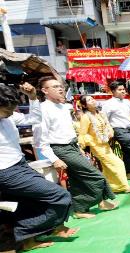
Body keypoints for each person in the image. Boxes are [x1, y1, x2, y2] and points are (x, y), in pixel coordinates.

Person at [0, 83, 77, 251]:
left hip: (20, 164)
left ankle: (29, 239)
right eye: (6, 109)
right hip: (6, 171)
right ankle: (23, 232)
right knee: (60, 196)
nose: (9, 113)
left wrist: (33, 98)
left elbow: (34, 119)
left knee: (31, 202)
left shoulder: (9, 116)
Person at [37, 76, 118, 219]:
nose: (60, 88)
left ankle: (80, 209)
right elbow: (40, 140)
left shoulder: (64, 107)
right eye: (55, 87)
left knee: (77, 179)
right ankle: (99, 201)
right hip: (60, 148)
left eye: (60, 86)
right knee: (96, 175)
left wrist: (78, 147)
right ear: (45, 91)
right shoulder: (42, 109)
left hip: (72, 146)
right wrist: (54, 159)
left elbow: (68, 131)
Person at [78, 95, 130, 194]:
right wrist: (84, 146)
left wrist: (110, 132)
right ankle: (123, 187)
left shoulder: (100, 114)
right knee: (117, 163)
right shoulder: (85, 117)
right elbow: (82, 134)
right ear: (85, 106)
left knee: (107, 167)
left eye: (92, 98)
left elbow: (108, 125)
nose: (93, 100)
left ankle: (111, 187)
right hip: (96, 146)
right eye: (89, 100)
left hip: (105, 144)